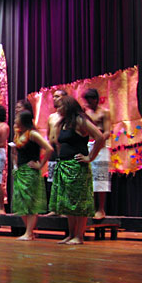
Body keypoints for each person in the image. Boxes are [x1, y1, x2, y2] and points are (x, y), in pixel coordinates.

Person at [49, 95, 104, 245]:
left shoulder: (80, 120)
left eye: (60, 106)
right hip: (64, 165)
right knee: (68, 202)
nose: (57, 108)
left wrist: (90, 157)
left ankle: (79, 235)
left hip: (77, 166)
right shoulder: (64, 123)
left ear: (68, 106)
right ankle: (71, 234)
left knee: (79, 202)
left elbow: (99, 137)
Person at [12, 110, 53, 240]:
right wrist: (15, 165)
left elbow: (49, 148)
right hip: (21, 170)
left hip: (30, 172)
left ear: (23, 120)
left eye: (17, 118)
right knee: (21, 202)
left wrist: (40, 165)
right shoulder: (19, 134)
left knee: (30, 202)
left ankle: (29, 233)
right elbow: (15, 153)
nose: (15, 120)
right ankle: (30, 230)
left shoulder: (33, 134)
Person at [83, 88, 111, 220]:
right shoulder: (85, 112)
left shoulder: (104, 112)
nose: (89, 103)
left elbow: (107, 131)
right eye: (87, 101)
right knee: (87, 178)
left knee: (101, 178)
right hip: (87, 145)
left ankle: (101, 209)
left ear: (96, 100)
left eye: (90, 100)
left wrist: (99, 141)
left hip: (101, 147)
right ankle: (90, 208)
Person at [45, 89, 67, 215]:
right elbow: (48, 134)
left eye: (57, 96)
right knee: (52, 180)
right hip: (53, 149)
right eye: (53, 96)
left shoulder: (67, 117)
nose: (54, 99)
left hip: (63, 149)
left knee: (63, 179)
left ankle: (63, 208)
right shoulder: (51, 117)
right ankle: (53, 208)